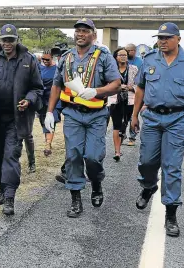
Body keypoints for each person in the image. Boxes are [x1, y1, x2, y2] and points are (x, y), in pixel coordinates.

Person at [45, 18, 121, 218]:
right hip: (72, 113)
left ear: (93, 35)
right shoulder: (66, 58)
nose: (80, 34)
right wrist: (49, 112)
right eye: (78, 31)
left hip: (96, 114)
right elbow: (56, 85)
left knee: (93, 157)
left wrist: (96, 90)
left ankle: (96, 183)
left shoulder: (103, 56)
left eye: (85, 31)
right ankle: (75, 198)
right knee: (74, 155)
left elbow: (116, 84)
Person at [0, 24, 43, 216]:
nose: (7, 44)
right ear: (0, 41)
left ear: (17, 40)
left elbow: (37, 88)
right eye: (4, 40)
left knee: (11, 155)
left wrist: (28, 101)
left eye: (11, 40)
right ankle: (2, 190)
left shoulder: (28, 60)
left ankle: (10, 197)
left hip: (16, 118)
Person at [131, 22, 184, 237]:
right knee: (147, 161)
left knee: (172, 167)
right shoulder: (150, 59)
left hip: (179, 118)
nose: (162, 41)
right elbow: (141, 88)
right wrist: (135, 115)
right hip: (152, 117)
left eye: (167, 38)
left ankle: (170, 214)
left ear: (178, 39)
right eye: (160, 38)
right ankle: (148, 186)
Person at [107, 48, 138, 161]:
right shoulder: (111, 69)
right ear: (116, 57)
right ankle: (117, 152)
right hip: (115, 100)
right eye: (121, 55)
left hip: (129, 100)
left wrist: (131, 87)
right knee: (116, 125)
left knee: (124, 123)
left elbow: (139, 85)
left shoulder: (134, 69)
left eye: (125, 55)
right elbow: (107, 84)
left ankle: (122, 137)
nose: (123, 57)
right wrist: (118, 88)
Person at [38, 52, 60, 157]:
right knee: (43, 121)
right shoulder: (40, 69)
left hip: (54, 98)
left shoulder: (57, 68)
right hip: (42, 99)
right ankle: (47, 141)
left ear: (52, 58)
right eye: (43, 59)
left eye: (47, 59)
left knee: (52, 120)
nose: (45, 61)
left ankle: (47, 144)